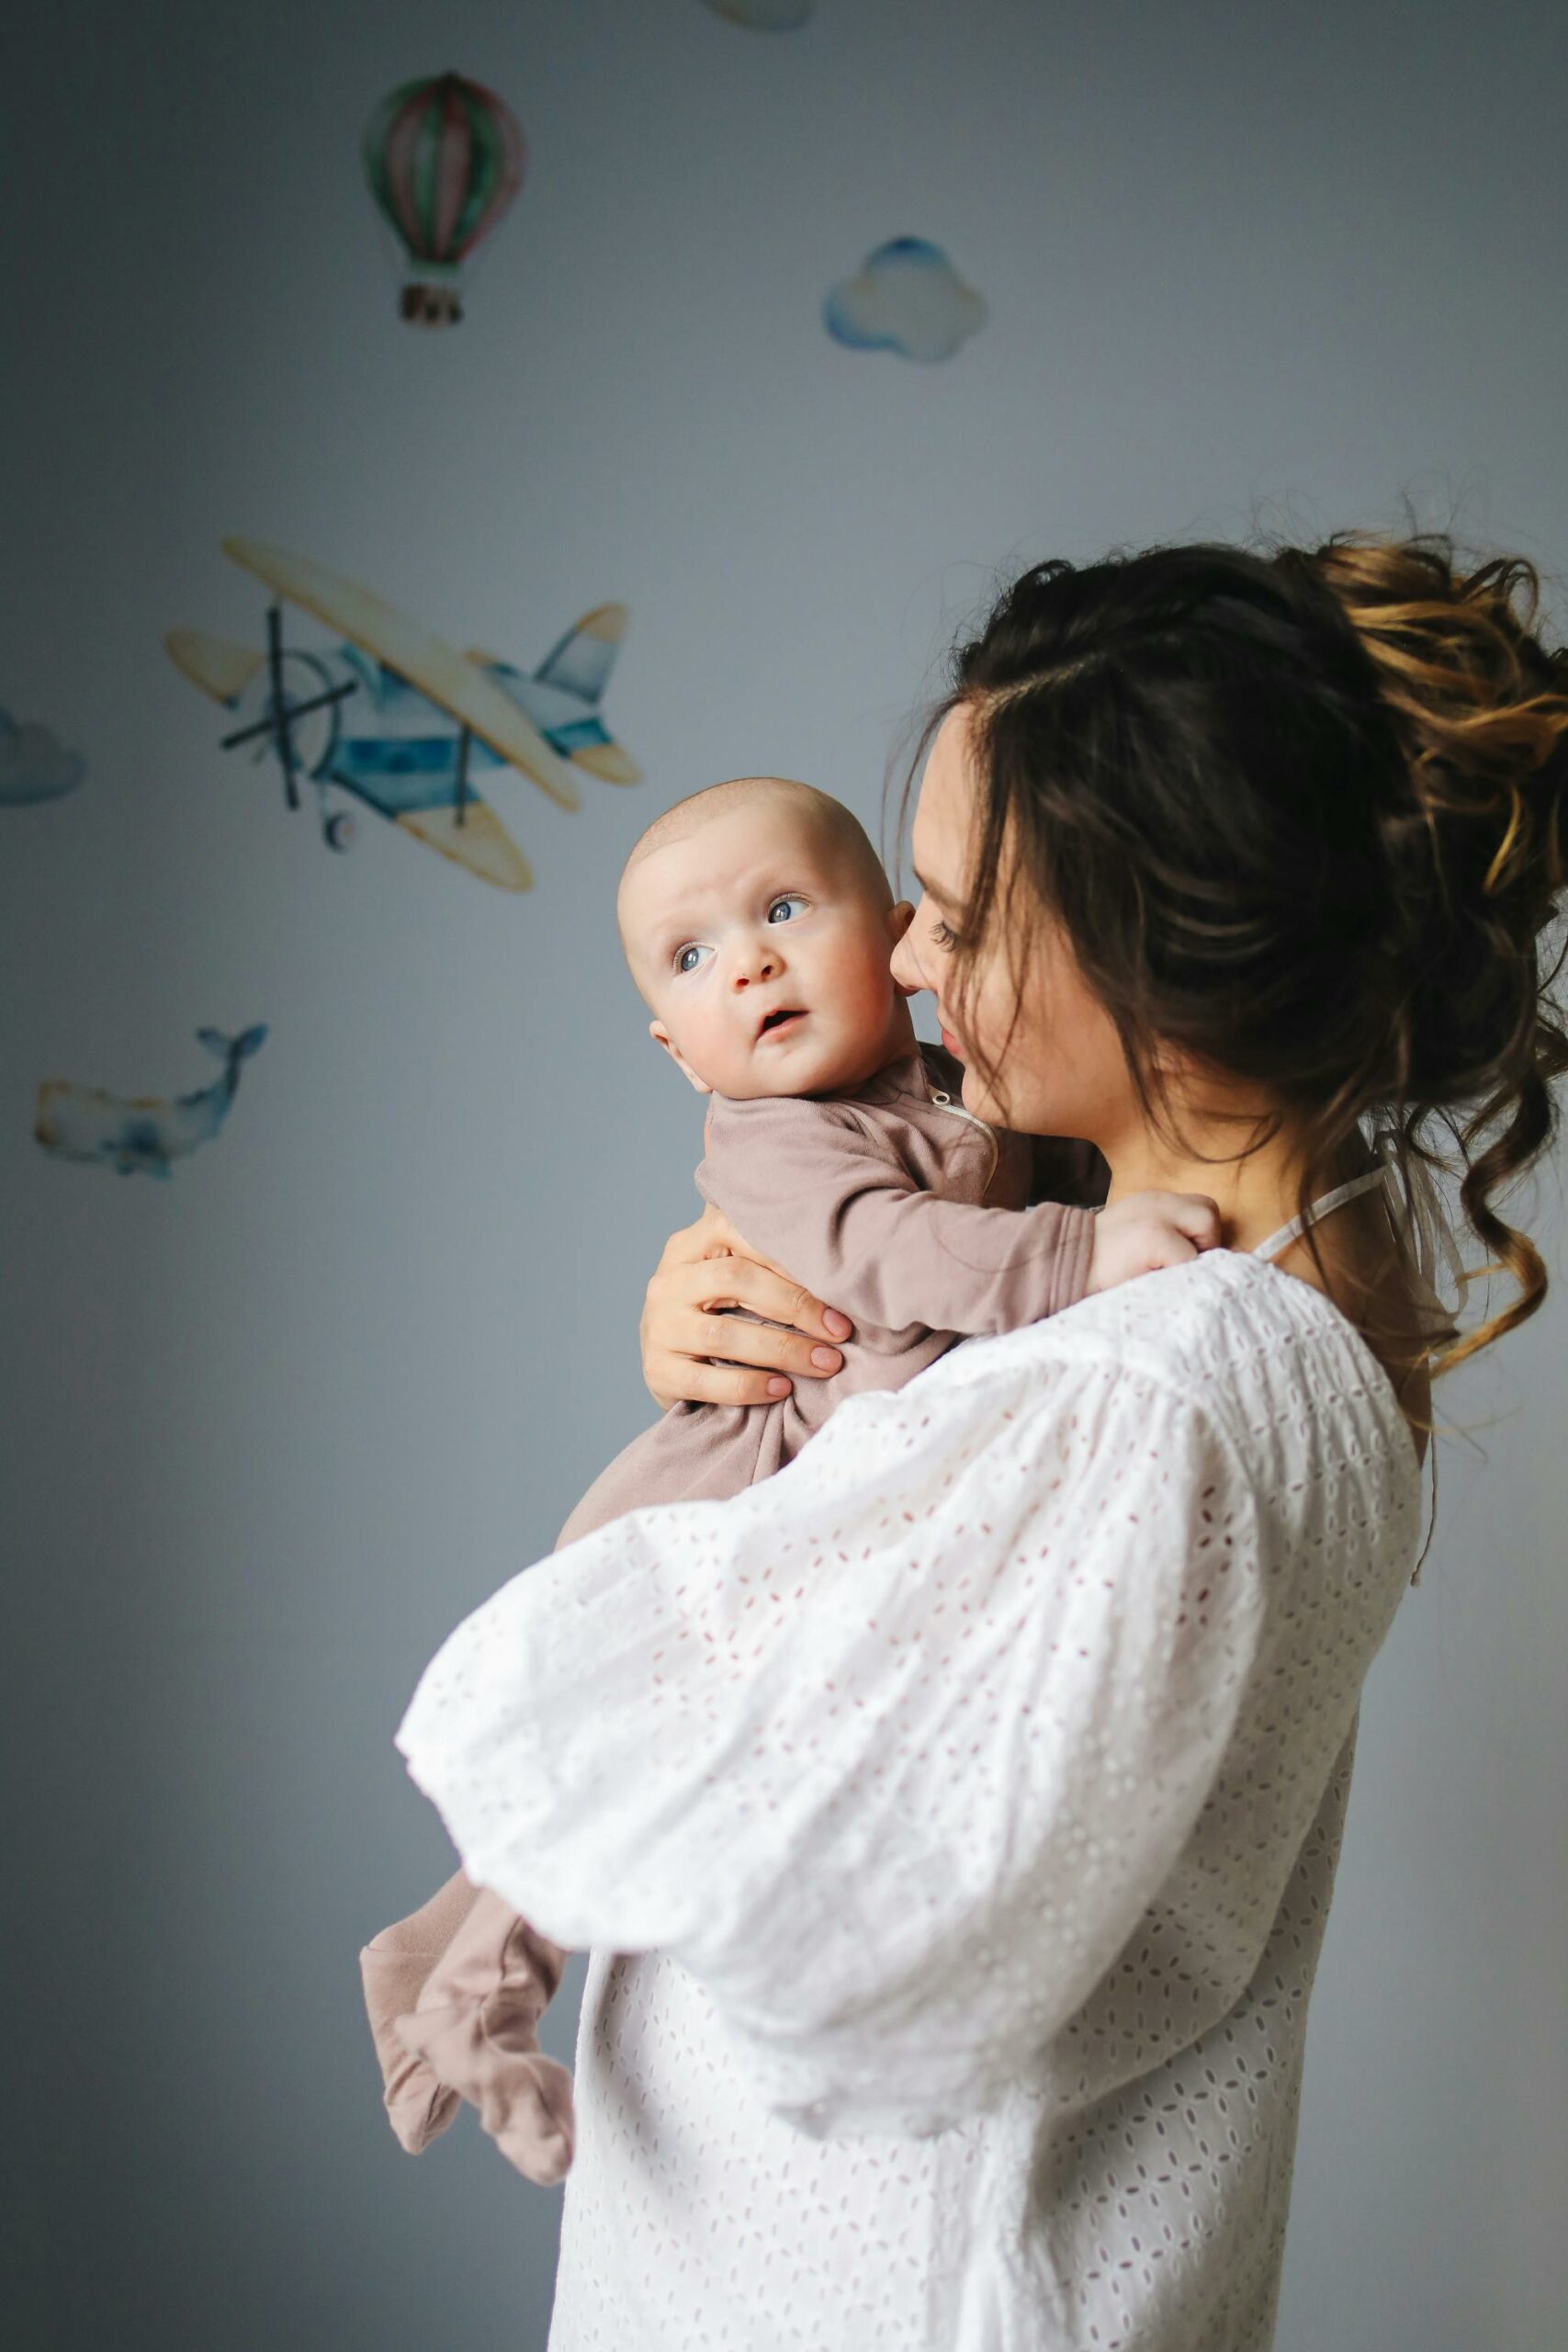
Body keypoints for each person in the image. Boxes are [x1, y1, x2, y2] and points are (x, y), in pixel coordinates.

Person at [393, 528, 1567, 2350]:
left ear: (1145, 940)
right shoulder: (1274, 1279)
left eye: (950, 903)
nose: (904, 955)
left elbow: (851, 1942)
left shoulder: (1136, 1394)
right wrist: (759, 1335)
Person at [361, 775, 1220, 2185]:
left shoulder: (960, 1095)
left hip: (797, 1504)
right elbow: (894, 1257)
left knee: (609, 1787)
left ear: (895, 943)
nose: (747, 961)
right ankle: (470, 2002)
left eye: (781, 911)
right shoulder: (770, 1145)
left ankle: (433, 1975)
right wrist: (1080, 1256)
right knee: (606, 1775)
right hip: (714, 1502)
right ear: (678, 1051)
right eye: (693, 958)